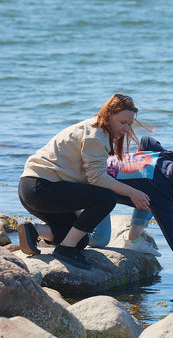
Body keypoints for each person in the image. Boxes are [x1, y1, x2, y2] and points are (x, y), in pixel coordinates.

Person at [17, 94, 151, 270]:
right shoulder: (96, 134)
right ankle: (65, 250)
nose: (126, 128)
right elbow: (96, 178)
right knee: (107, 198)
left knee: (81, 239)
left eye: (129, 124)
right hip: (40, 187)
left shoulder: (96, 129)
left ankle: (33, 231)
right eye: (122, 122)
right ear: (109, 115)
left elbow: (77, 178)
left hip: (32, 189)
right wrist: (132, 192)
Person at [96, 135, 173, 281]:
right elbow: (172, 231)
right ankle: (67, 231)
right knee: (98, 241)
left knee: (147, 194)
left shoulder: (166, 157)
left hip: (103, 171)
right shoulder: (161, 188)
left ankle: (133, 240)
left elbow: (146, 140)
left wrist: (137, 165)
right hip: (93, 185)